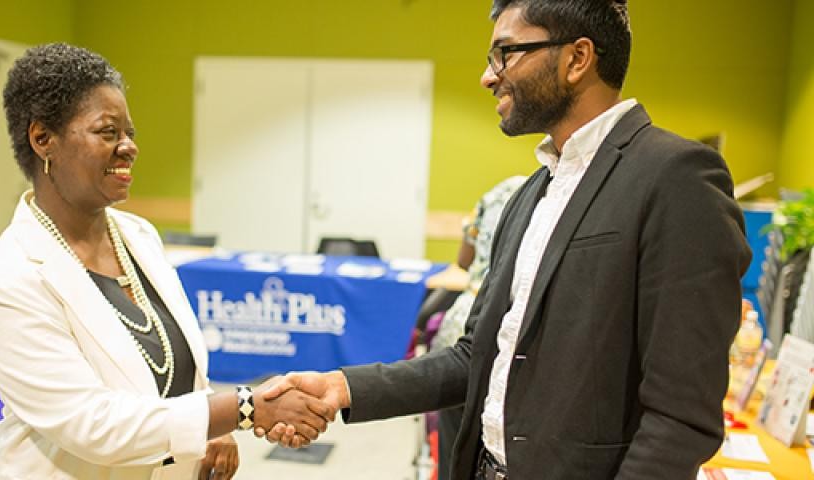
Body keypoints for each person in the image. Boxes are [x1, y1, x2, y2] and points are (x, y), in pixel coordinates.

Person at [260, 1, 752, 479]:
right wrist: (340, 388)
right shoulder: (530, 194)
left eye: (506, 52)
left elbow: (680, 415)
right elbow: (476, 354)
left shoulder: (676, 178)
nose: (489, 75)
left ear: (577, 59)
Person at [0, 43, 331, 480]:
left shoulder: (138, 236)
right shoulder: (5, 282)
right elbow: (94, 425)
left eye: (129, 133)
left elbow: (176, 372)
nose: (128, 147)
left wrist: (212, 425)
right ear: (43, 139)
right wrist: (242, 409)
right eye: (107, 132)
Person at [429, 175, 525, 480]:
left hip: (461, 319)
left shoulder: (493, 194)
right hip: (501, 327)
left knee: (452, 435)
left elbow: (463, 260)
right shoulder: (540, 196)